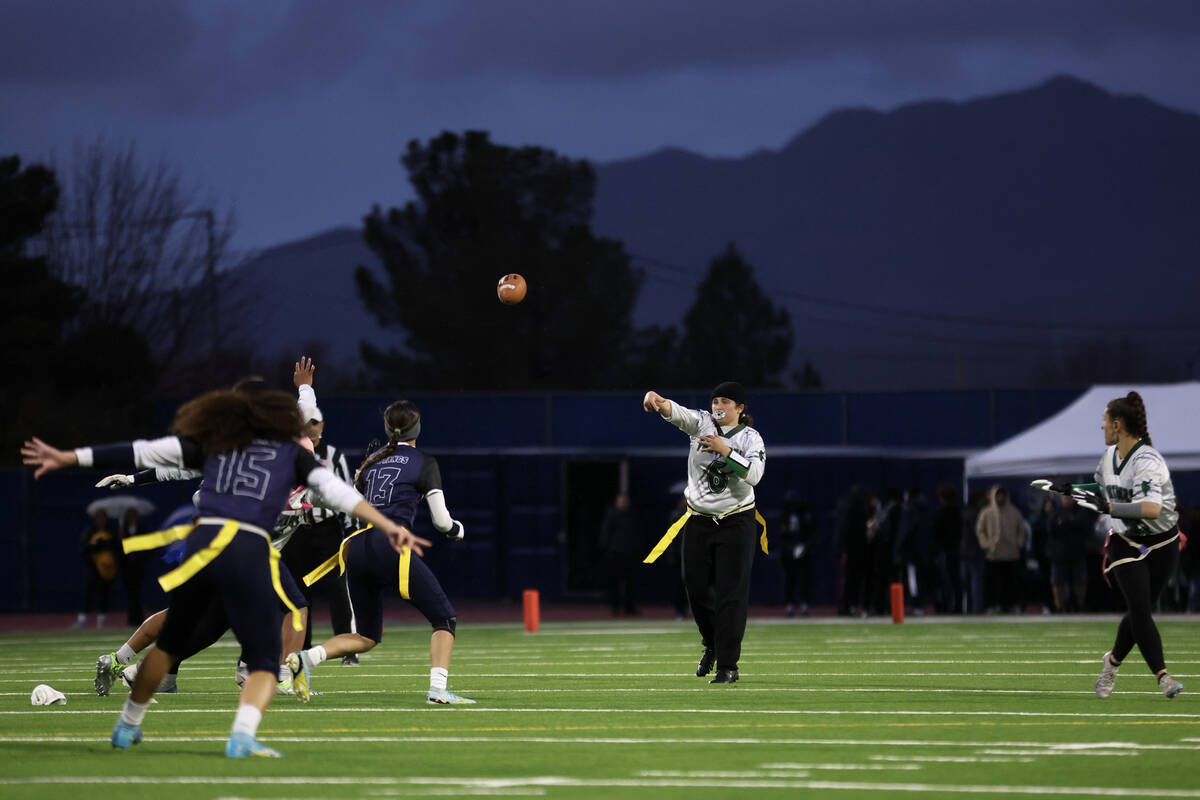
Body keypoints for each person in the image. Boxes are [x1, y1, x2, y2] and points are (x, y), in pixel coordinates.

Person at [21, 387, 429, 757]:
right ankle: (242, 736)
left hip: (203, 544)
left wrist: (71, 457)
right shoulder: (291, 454)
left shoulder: (216, 444)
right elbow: (338, 492)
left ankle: (128, 725)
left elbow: (145, 451)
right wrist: (391, 525)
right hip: (248, 548)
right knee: (265, 660)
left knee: (168, 646)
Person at [286, 399, 472, 705]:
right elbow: (441, 521)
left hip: (358, 546)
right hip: (391, 544)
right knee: (444, 619)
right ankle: (438, 691)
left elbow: (348, 499)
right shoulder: (424, 461)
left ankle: (306, 659)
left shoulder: (372, 460)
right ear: (417, 427)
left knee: (366, 637)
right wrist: (457, 530)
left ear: (388, 428)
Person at [642, 381, 766, 684]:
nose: (718, 407)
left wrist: (726, 451)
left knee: (731, 593)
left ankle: (728, 665)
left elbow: (755, 475)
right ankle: (712, 643)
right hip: (698, 519)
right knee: (695, 589)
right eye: (715, 401)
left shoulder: (751, 438)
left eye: (725, 401)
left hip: (737, 521)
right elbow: (677, 413)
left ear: (740, 408)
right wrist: (656, 399)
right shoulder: (702, 423)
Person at [1080, 391, 1184, 698]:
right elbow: (1100, 489)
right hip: (1125, 541)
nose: (1101, 428)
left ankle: (1111, 662)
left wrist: (1109, 508)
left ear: (1117, 424)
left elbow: (1151, 509)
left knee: (1142, 609)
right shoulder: (1108, 458)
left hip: (1163, 542)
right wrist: (1067, 489)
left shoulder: (1148, 460)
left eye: (1104, 422)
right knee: (1139, 607)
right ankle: (1163, 677)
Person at [281, 358, 357, 664]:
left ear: (321, 425)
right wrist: (304, 389)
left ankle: (347, 647)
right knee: (298, 594)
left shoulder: (332, 455)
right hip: (296, 528)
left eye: (314, 423)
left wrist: (351, 530)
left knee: (338, 588)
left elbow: (345, 494)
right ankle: (299, 651)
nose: (310, 428)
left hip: (327, 532)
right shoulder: (290, 450)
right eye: (305, 423)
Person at [975, 486, 1027, 613]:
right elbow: (980, 530)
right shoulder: (986, 512)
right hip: (994, 554)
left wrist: (1018, 543)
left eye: (1002, 495)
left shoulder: (1014, 512)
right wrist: (987, 544)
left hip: (1011, 554)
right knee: (993, 583)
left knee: (1010, 583)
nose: (1000, 498)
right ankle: (993, 605)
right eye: (998, 495)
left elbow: (1022, 529)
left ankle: (1011, 605)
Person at [74, 509, 118, 629]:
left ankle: (101, 621)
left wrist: (107, 543)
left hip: (107, 568)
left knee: (104, 593)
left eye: (102, 517)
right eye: (98, 517)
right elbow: (83, 549)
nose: (100, 520)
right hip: (93, 568)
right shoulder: (90, 531)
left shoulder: (112, 531)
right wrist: (94, 545)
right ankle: (82, 620)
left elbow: (118, 546)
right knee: (88, 593)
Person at [598, 492, 641, 615]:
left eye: (625, 501)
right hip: (616, 554)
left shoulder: (632, 516)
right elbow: (605, 534)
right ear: (617, 502)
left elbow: (637, 534)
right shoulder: (612, 515)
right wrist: (608, 550)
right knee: (615, 583)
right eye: (621, 501)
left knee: (631, 583)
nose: (623, 503)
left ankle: (630, 607)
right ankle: (615, 607)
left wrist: (637, 549)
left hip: (630, 554)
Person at [1046, 494, 1091, 613]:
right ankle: (1059, 607)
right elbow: (1051, 529)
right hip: (1059, 554)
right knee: (1058, 582)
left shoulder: (1081, 511)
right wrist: (1070, 524)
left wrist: (1065, 524)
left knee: (1080, 581)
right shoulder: (1056, 512)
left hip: (1077, 553)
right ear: (1061, 499)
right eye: (1065, 498)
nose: (1067, 500)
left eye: (1069, 497)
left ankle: (1080, 605)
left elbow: (1084, 526)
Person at [777, 491, 815, 617]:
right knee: (790, 579)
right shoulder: (785, 515)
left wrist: (803, 547)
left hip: (803, 551)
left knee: (804, 579)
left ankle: (804, 604)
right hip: (789, 552)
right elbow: (781, 535)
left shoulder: (805, 514)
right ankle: (789, 605)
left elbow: (812, 533)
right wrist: (790, 548)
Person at [119, 508, 147, 627]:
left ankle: (138, 618)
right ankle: (132, 618)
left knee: (137, 592)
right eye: (129, 516)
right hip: (126, 568)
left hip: (138, 567)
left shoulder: (142, 529)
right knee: (130, 593)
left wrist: (139, 556)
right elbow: (118, 549)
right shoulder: (121, 531)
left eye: (133, 515)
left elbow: (148, 547)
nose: (131, 518)